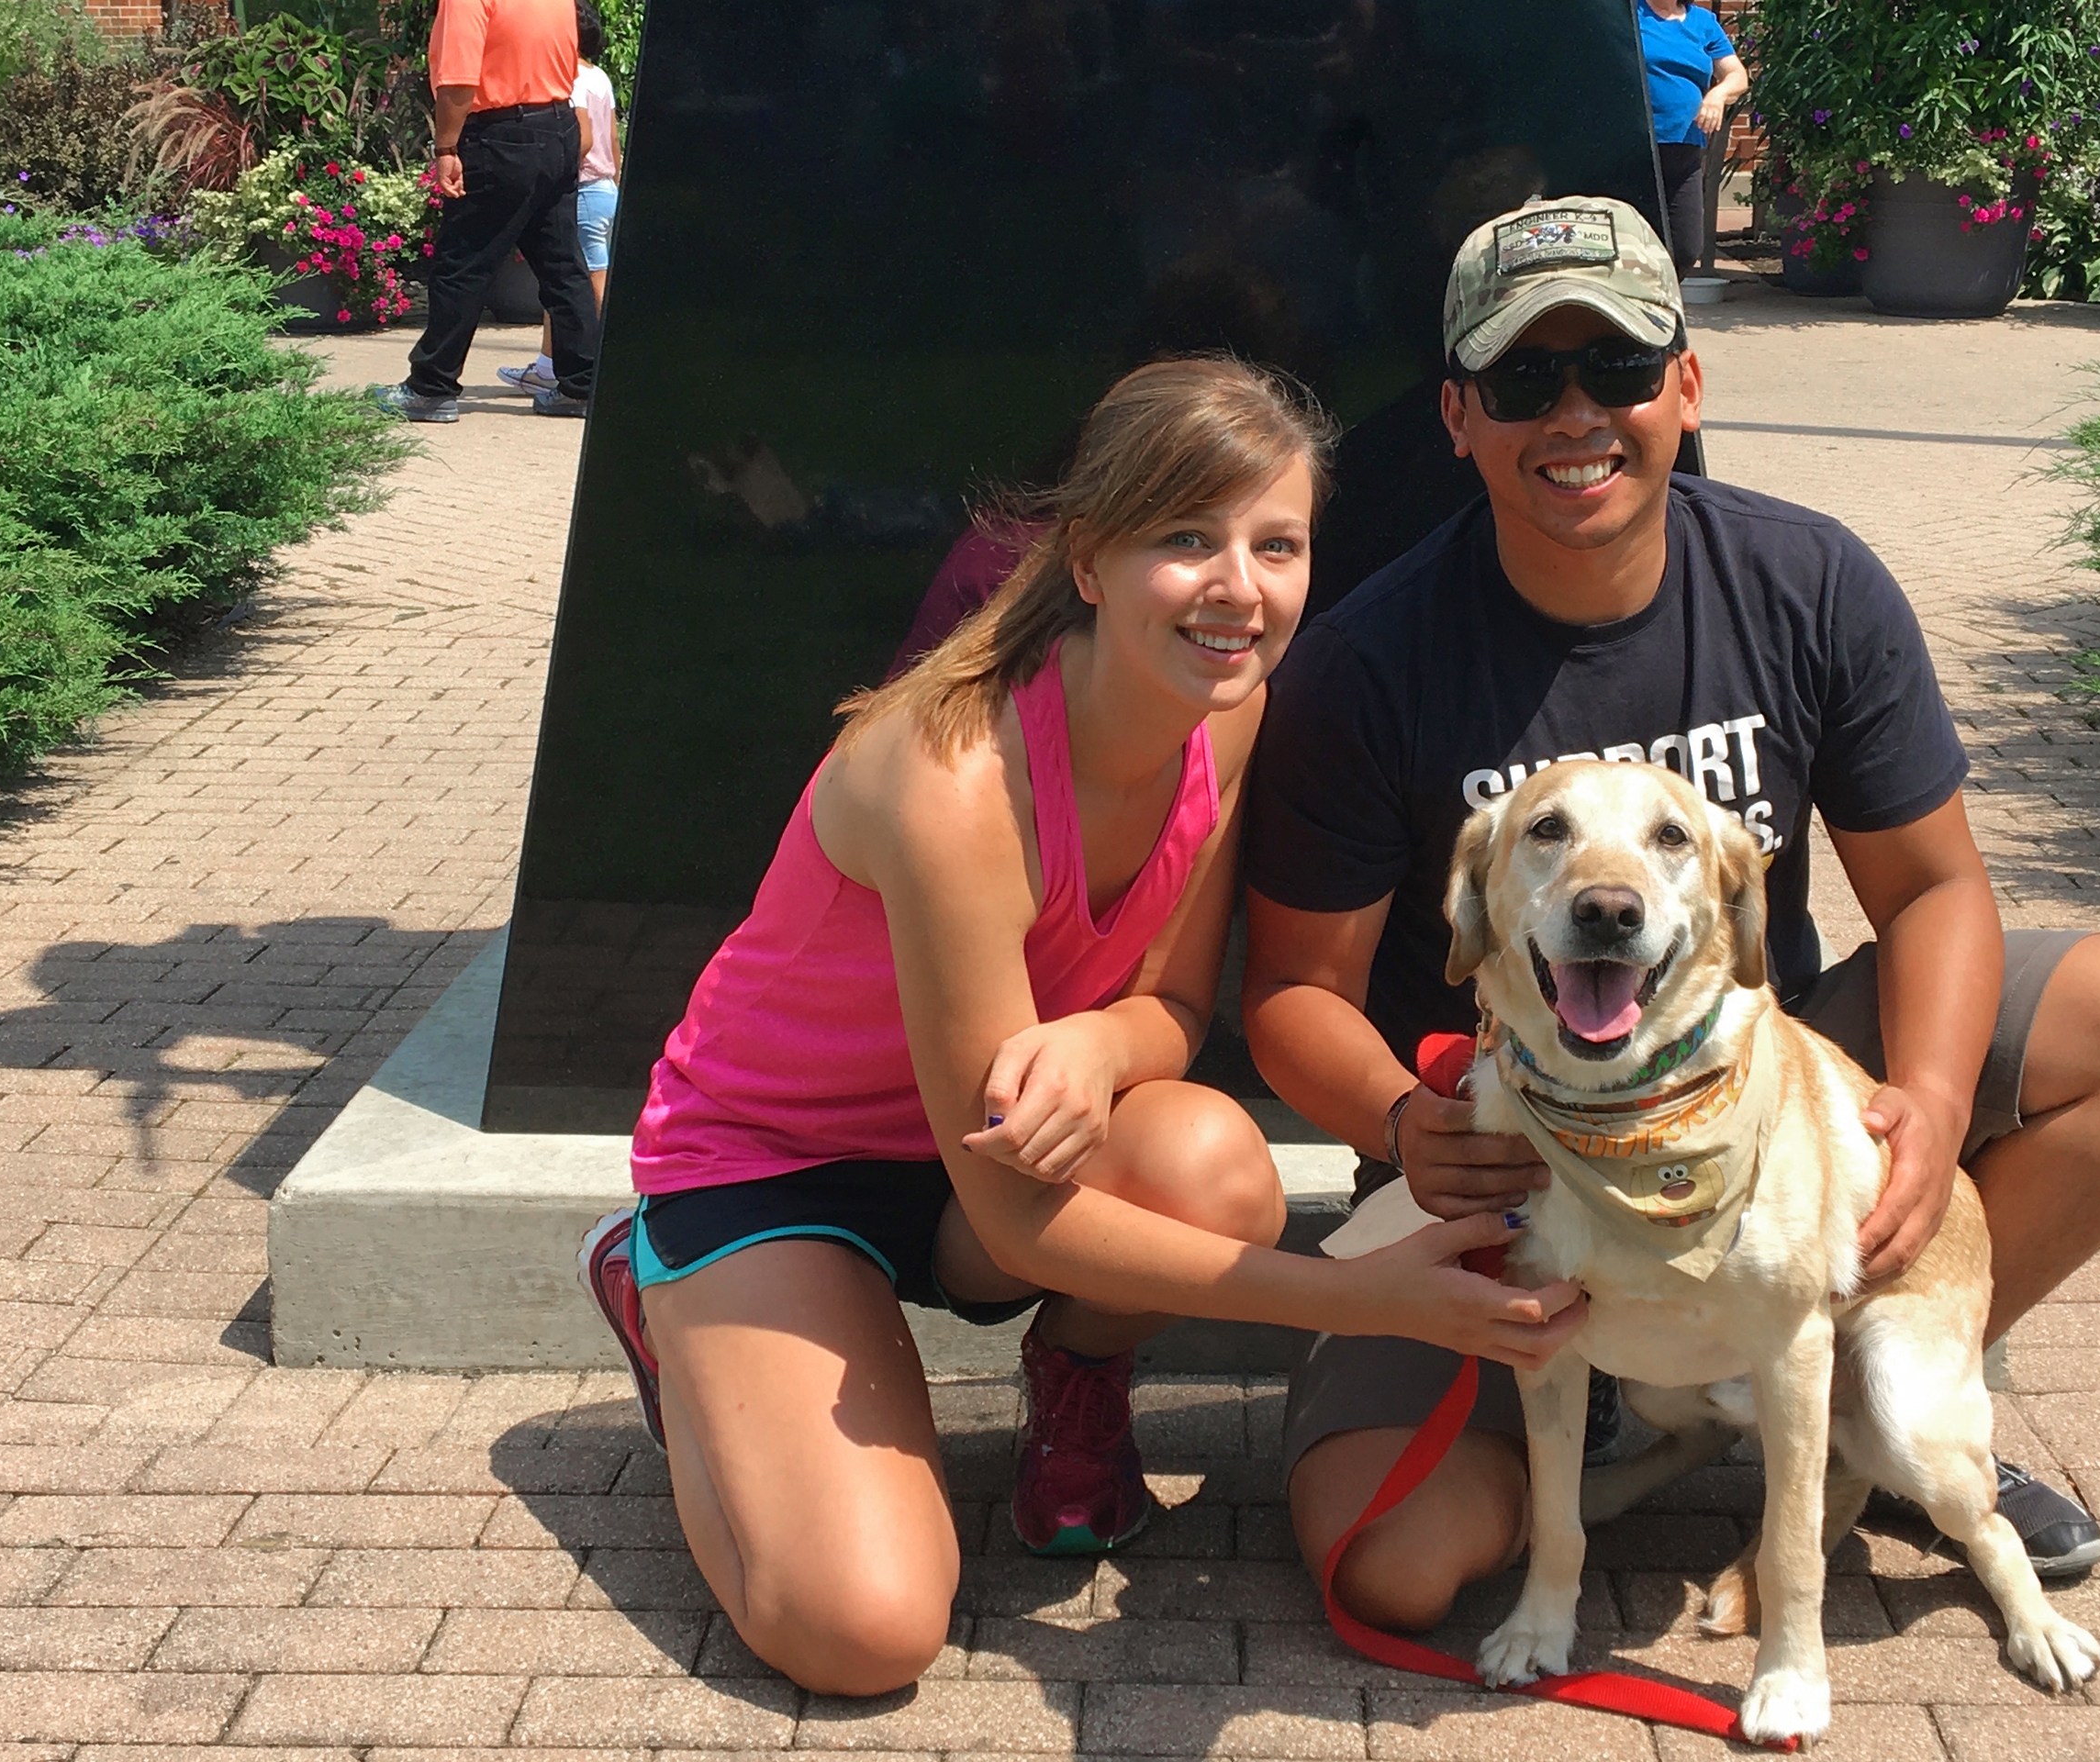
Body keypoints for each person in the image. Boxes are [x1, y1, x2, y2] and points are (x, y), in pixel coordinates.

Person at [1241, 196, 2100, 1632]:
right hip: (1505, 1145)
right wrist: (1408, 1127)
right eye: (1524, 382)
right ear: (1460, 417)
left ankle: (1890, 1416)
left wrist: (1933, 1109)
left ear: (1686, 386)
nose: (1576, 415)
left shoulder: (1807, 582)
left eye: (1620, 370)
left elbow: (1938, 885)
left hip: (1763, 1077)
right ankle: (1634, 1406)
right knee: (1399, 1566)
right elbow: (1291, 996)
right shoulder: (1366, 664)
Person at [575, 357, 1590, 1698]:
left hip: (983, 1155)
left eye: (1275, 544)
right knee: (863, 1635)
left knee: (1209, 1163)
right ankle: (666, 1297)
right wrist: (1357, 1297)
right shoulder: (948, 781)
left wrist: (1102, 1046)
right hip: (777, 1168)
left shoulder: (1227, 720)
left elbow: (1172, 1007)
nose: (1240, 587)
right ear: (1090, 560)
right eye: (1187, 539)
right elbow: (1019, 1230)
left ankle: (1076, 1382)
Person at [372, 0, 599, 422]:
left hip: (500, 135)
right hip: (557, 126)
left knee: (462, 264)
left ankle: (431, 387)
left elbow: (458, 81)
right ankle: (583, 385)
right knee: (562, 265)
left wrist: (445, 147)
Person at [502, 0, 619, 396]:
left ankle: (588, 364)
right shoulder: (600, 76)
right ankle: (550, 365)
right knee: (567, 280)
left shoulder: (569, 79)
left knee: (577, 283)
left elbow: (582, 138)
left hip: (583, 187)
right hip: (605, 188)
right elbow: (612, 138)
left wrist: (560, 169)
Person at [1636, 0, 1747, 275]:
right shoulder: (1631, 14)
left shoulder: (1703, 22)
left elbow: (1737, 75)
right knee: (1636, 239)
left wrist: (1718, 95)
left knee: (1686, 248)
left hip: (1686, 151)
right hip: (1636, 150)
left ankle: (1661, 305)